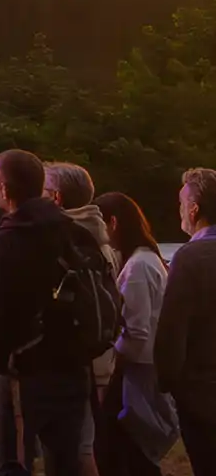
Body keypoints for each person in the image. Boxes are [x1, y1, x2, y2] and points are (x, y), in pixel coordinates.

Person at [0, 148, 109, 476]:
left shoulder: (10, 239)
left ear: (4, 188)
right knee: (66, 462)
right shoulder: (75, 232)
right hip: (73, 367)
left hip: (22, 372)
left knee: (12, 463)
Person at [95, 191, 174, 476]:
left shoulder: (139, 266)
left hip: (136, 372)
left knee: (126, 451)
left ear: (113, 223)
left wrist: (110, 362)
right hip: (142, 368)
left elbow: (137, 331)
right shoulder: (147, 260)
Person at [51, 161, 120, 476]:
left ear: (56, 197)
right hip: (100, 350)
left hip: (76, 355)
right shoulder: (100, 234)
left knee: (76, 448)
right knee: (84, 444)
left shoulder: (69, 237)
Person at [157, 167, 216, 474]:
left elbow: (172, 329)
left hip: (203, 394)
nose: (179, 210)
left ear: (194, 209)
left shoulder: (191, 257)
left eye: (181, 203)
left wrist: (167, 380)